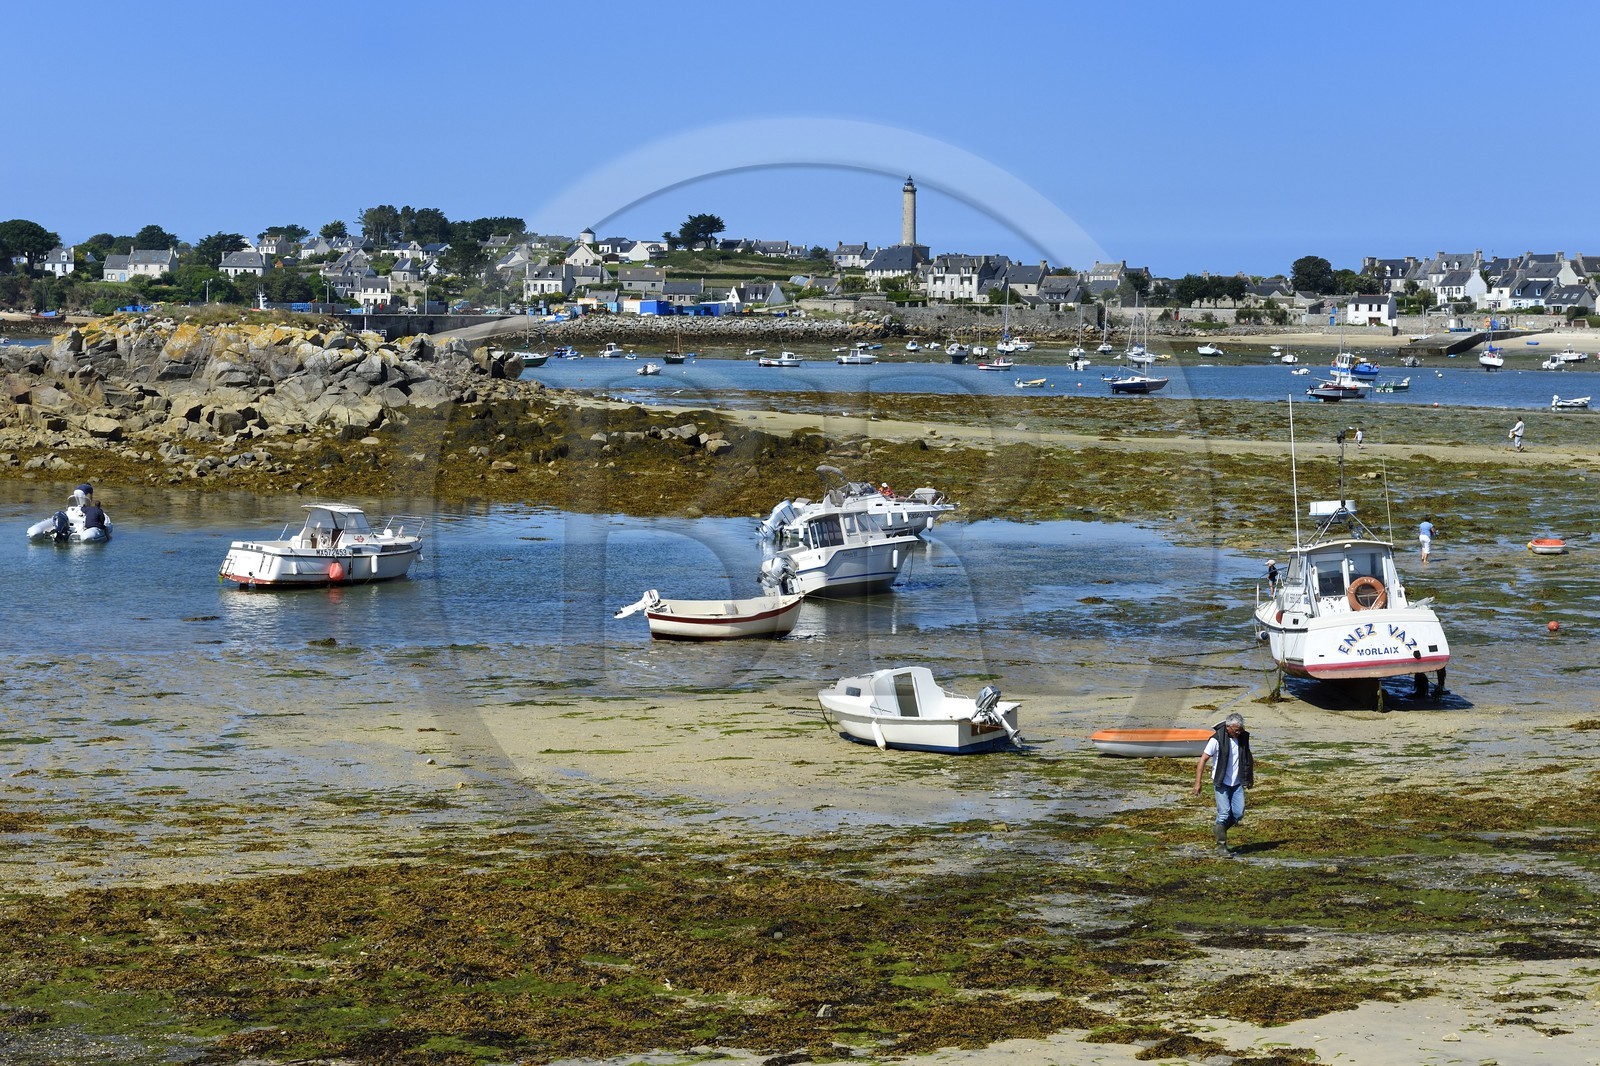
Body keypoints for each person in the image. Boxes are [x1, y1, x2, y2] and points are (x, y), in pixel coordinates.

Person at [1193, 712, 1254, 855]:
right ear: (1228, 727)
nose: (1239, 732)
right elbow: (1203, 760)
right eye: (1236, 729)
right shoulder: (1216, 739)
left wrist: (1250, 777)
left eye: (1241, 729)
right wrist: (1198, 783)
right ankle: (1222, 847)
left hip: (1237, 782)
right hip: (1221, 782)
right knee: (1224, 813)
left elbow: (1248, 757)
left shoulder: (1243, 737)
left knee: (1238, 813)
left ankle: (1219, 829)